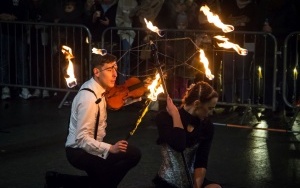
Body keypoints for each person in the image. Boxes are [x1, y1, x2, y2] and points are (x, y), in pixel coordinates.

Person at [45, 53, 141, 188]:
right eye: (109, 69)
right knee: (131, 156)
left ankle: (58, 180)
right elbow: (82, 139)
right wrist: (110, 148)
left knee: (107, 177)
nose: (115, 74)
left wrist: (139, 94)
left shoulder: (97, 87)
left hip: (92, 146)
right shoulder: (88, 99)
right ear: (96, 72)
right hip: (80, 152)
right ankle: (62, 180)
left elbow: (115, 101)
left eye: (115, 68)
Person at [153, 81, 221, 188]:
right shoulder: (164, 118)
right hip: (168, 182)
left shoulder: (207, 126)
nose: (211, 113)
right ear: (197, 104)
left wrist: (197, 186)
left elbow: (201, 160)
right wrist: (175, 114)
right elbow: (179, 144)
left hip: (193, 181)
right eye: (210, 108)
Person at [0, 0, 32, 100]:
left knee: (22, 60)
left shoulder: (23, 2)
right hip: (6, 31)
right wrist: (4, 16)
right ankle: (5, 88)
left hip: (20, 31)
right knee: (4, 60)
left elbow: (26, 12)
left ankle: (24, 87)